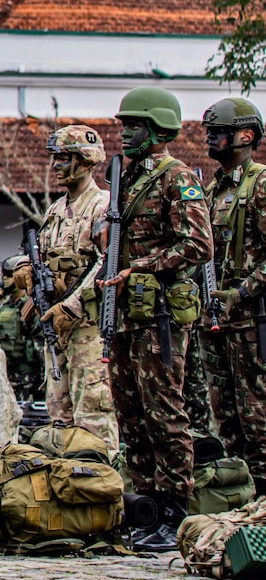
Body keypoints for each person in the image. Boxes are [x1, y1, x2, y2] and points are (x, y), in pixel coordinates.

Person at [99, 87, 213, 551]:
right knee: (131, 415)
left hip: (160, 316)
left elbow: (198, 245)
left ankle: (174, 511)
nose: (125, 133)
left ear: (159, 129)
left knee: (165, 414)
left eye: (135, 125)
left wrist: (140, 268)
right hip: (127, 315)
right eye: (124, 126)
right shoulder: (126, 181)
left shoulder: (176, 178)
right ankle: (144, 506)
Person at [24, 125, 118, 449]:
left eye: (62, 158)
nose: (55, 166)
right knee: (58, 415)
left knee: (93, 412)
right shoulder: (54, 211)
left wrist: (71, 306)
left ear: (84, 160)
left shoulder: (102, 206)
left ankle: (103, 485)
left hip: (88, 327)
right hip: (57, 328)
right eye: (55, 158)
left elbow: (107, 262)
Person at [201, 97, 266, 494]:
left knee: (258, 419)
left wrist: (241, 292)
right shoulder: (210, 190)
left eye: (219, 132)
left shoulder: (260, 185)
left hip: (252, 323)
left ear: (246, 135)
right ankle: (241, 499)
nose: (211, 137)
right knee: (225, 420)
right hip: (216, 324)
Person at [0, 257, 45, 401]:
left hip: (27, 374)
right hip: (8, 372)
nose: (4, 278)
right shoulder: (5, 305)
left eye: (9, 275)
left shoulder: (30, 306)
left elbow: (39, 343)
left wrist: (42, 378)